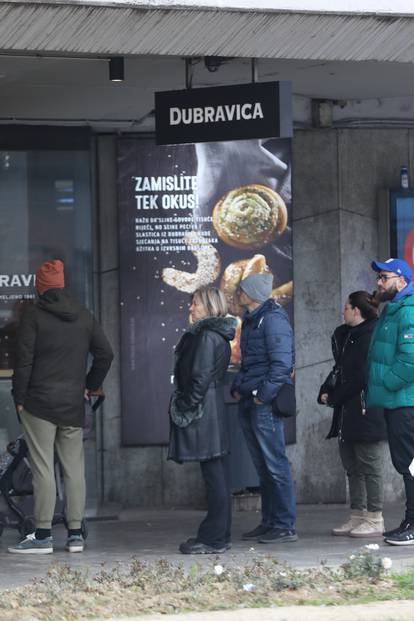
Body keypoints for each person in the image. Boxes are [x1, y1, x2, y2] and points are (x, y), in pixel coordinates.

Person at [9, 259, 113, 554]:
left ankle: (42, 535)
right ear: (62, 284)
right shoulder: (83, 315)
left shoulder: (33, 316)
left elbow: (24, 360)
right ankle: (76, 534)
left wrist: (18, 397)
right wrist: (91, 385)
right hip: (72, 403)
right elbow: (106, 353)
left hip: (38, 403)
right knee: (74, 469)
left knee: (43, 468)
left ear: (40, 287)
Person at [168, 286, 236, 554]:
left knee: (214, 477)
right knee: (216, 475)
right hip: (210, 407)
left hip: (204, 410)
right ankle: (219, 535)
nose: (190, 308)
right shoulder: (215, 334)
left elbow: (199, 378)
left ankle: (214, 538)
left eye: (194, 303)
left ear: (208, 306)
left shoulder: (207, 336)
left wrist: (184, 405)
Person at [231, 273, 297, 544]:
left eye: (241, 290)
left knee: (275, 464)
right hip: (250, 399)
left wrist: (262, 395)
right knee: (263, 466)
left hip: (263, 403)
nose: (237, 294)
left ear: (253, 294)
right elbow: (250, 363)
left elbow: (282, 365)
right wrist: (239, 384)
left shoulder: (272, 320)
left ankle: (284, 525)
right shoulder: (252, 319)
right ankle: (271, 522)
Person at [318, 291, 387, 537]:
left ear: (356, 310)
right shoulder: (346, 336)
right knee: (352, 466)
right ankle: (358, 514)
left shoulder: (372, 335)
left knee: (370, 464)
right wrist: (327, 389)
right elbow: (340, 369)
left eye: (346, 307)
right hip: (347, 410)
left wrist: (335, 397)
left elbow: (359, 377)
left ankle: (375, 516)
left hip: (366, 409)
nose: (343, 311)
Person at [366, 258, 414, 546]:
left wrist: (386, 384)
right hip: (397, 402)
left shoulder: (408, 310)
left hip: (405, 403)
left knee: (410, 465)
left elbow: (410, 359)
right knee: (407, 464)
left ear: (401, 280)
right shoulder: (393, 310)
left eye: (384, 277)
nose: (379, 283)